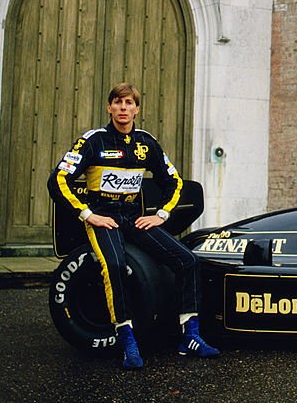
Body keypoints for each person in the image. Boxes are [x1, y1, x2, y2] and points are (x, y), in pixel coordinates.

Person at [50, 82, 220, 369]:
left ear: (136, 109)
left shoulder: (146, 143)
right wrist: (87, 214)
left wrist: (162, 215)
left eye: (129, 103)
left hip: (133, 217)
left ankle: (189, 336)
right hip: (104, 218)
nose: (123, 109)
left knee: (187, 260)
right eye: (117, 103)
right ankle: (127, 340)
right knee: (114, 266)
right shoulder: (93, 141)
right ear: (109, 107)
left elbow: (174, 182)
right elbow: (57, 179)